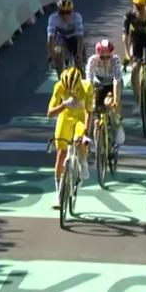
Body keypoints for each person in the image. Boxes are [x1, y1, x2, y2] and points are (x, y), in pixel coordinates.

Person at [46, 67, 92, 206]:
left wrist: (85, 132)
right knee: (61, 154)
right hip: (65, 118)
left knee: (79, 141)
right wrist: (64, 105)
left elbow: (89, 112)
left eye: (74, 89)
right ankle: (58, 194)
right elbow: (50, 113)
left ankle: (83, 161)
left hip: (80, 119)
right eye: (68, 90)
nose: (71, 92)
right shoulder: (59, 86)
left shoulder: (87, 87)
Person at [84, 39, 125, 151]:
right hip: (99, 85)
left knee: (111, 105)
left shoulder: (115, 60)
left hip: (112, 84)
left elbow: (117, 82)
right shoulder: (92, 60)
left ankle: (117, 126)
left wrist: (116, 101)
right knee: (95, 114)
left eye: (108, 57)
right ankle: (97, 140)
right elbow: (89, 82)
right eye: (102, 57)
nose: (106, 60)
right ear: (98, 55)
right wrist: (90, 99)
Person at [47, 0, 85, 74]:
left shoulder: (77, 17)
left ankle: (81, 76)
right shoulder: (53, 18)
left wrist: (79, 53)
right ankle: (61, 77)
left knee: (79, 62)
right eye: (61, 13)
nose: (65, 16)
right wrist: (51, 53)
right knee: (58, 57)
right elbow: (50, 38)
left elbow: (80, 38)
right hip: (61, 38)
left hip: (74, 38)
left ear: (72, 11)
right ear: (58, 12)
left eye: (68, 12)